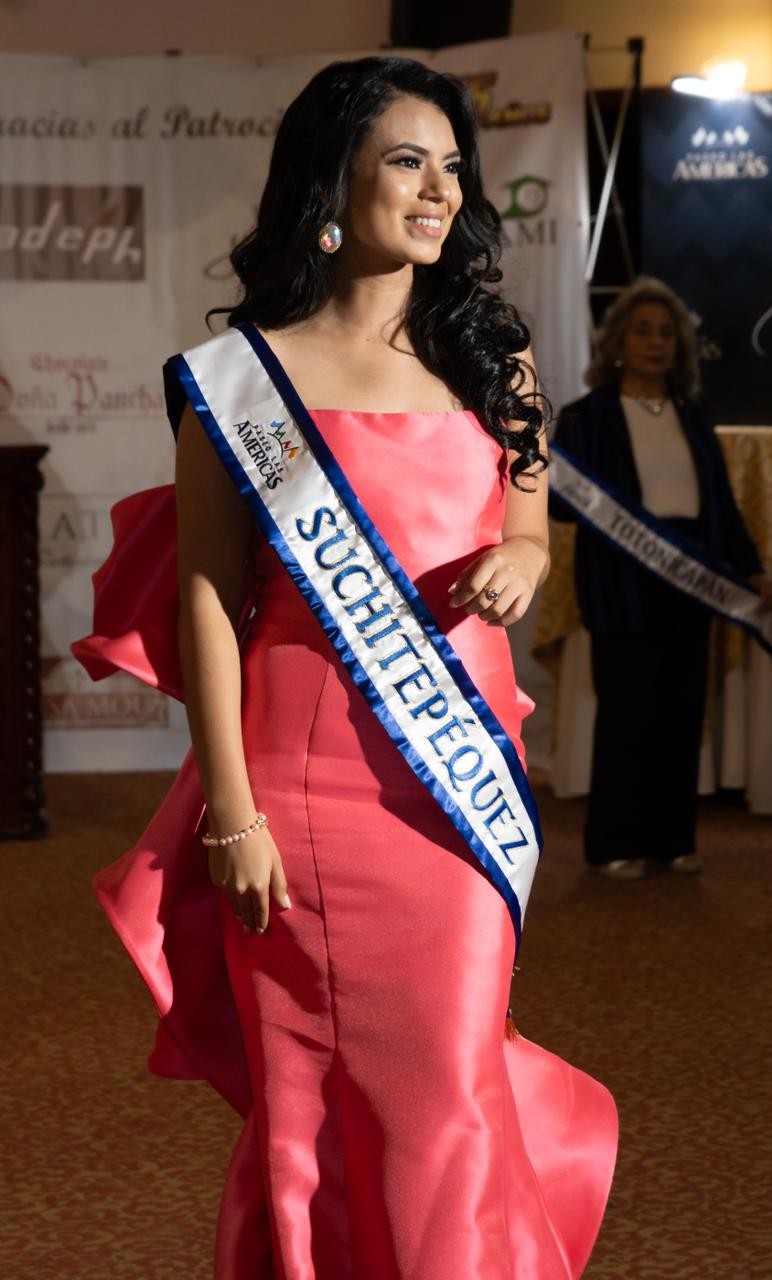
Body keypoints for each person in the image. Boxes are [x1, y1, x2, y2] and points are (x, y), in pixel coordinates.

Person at [74, 58, 617, 1279]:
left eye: (451, 167)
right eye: (406, 162)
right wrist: (230, 811)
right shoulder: (243, 381)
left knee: (447, 1080)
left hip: (449, 779)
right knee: (313, 1098)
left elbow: (529, 525)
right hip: (302, 789)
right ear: (332, 183)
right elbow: (210, 600)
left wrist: (524, 556)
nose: (439, 191)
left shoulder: (494, 357)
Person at [551, 277, 771, 881]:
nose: (655, 342)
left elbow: (721, 504)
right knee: (627, 715)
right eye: (643, 331)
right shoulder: (586, 416)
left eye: (667, 333)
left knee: (680, 714)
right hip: (620, 585)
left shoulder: (693, 414)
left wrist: (751, 567)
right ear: (617, 342)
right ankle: (612, 844)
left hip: (689, 581)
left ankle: (673, 840)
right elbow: (561, 508)